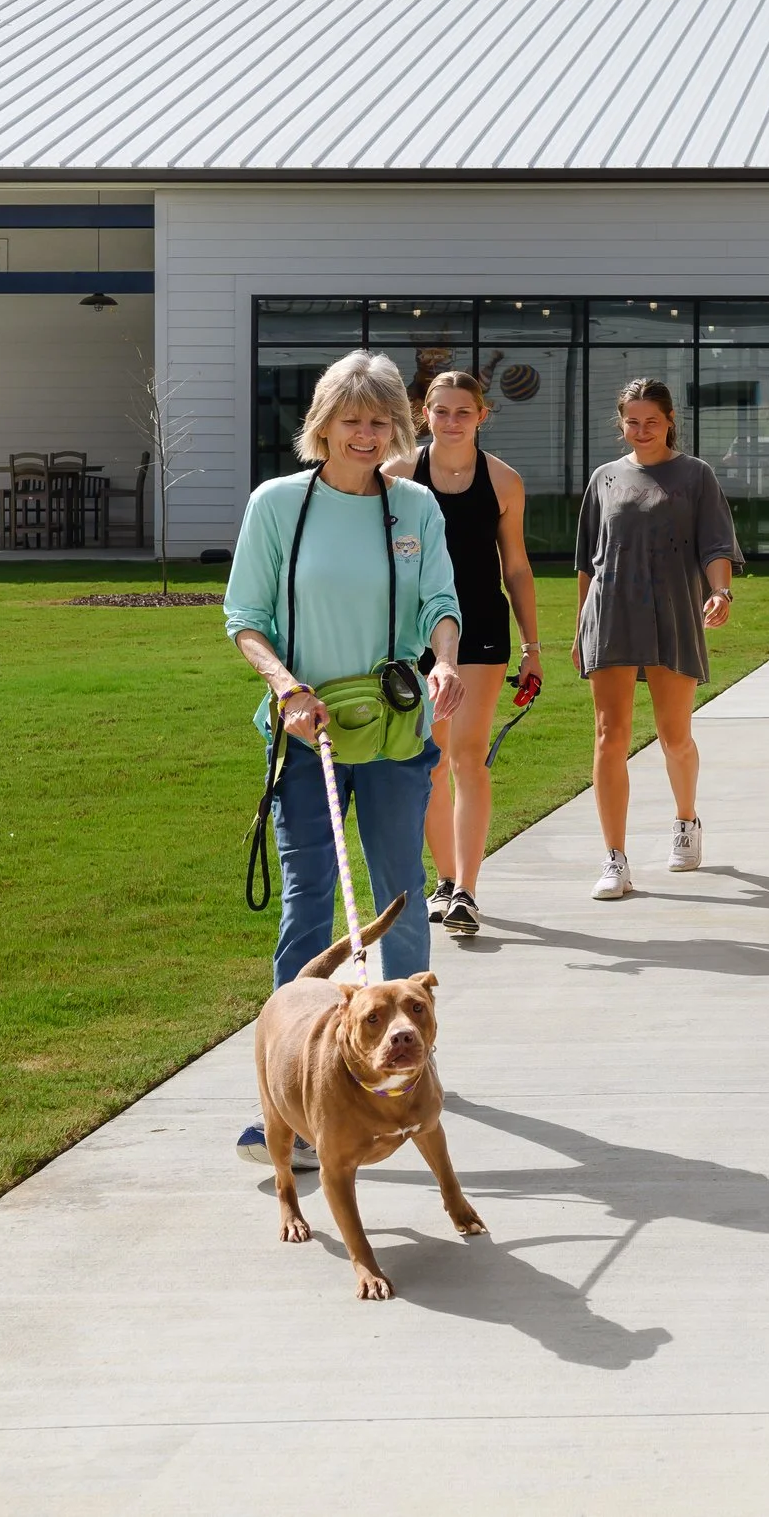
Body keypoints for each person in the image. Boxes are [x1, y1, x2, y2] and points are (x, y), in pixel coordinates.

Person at [224, 350, 464, 1166]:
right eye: (350, 420)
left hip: (397, 733)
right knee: (309, 907)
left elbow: (441, 601)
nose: (365, 435)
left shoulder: (415, 509)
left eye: (380, 422)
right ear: (320, 425)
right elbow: (245, 618)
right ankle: (285, 1101)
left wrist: (444, 659)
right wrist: (287, 687)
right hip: (306, 732)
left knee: (400, 900)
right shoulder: (276, 507)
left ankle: (411, 1069)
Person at [570, 377, 744, 900]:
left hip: (673, 612)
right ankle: (615, 859)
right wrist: (581, 625)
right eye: (631, 421)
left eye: (651, 421)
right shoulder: (603, 478)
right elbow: (587, 561)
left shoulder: (696, 476)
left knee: (674, 736)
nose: (641, 431)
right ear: (620, 422)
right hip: (612, 612)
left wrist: (721, 592)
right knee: (610, 735)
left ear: (670, 420)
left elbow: (716, 544)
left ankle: (686, 820)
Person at [386, 371, 543, 936]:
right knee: (429, 760)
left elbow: (517, 568)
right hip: (413, 636)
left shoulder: (503, 481)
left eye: (463, 411)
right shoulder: (397, 475)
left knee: (467, 757)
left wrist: (532, 647)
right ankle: (446, 879)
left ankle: (467, 892)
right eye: (441, 411)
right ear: (423, 414)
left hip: (481, 630)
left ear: (482, 415)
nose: (452, 421)